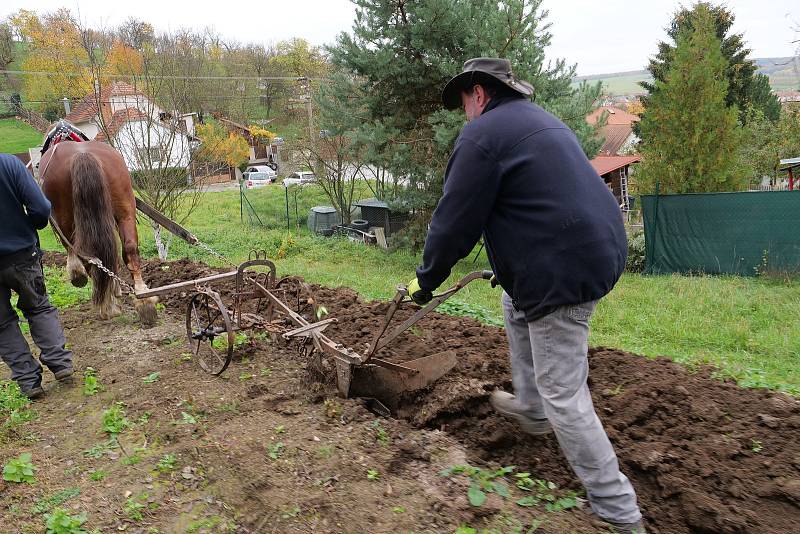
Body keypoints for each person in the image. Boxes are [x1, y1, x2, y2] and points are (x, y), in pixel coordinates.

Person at [406, 58, 645, 533]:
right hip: (598, 248)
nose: (463, 114)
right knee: (514, 304)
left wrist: (426, 280)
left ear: (478, 93)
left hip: (564, 268)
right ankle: (531, 410)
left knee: (565, 393)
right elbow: (538, 201)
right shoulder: (541, 121)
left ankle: (620, 513)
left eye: (462, 104)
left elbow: (454, 221)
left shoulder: (482, 136)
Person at [0, 153, 74, 399]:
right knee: (39, 307)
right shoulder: (9, 164)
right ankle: (60, 364)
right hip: (22, 255)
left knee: (2, 325)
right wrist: (31, 225)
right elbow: (41, 208)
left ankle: (29, 382)